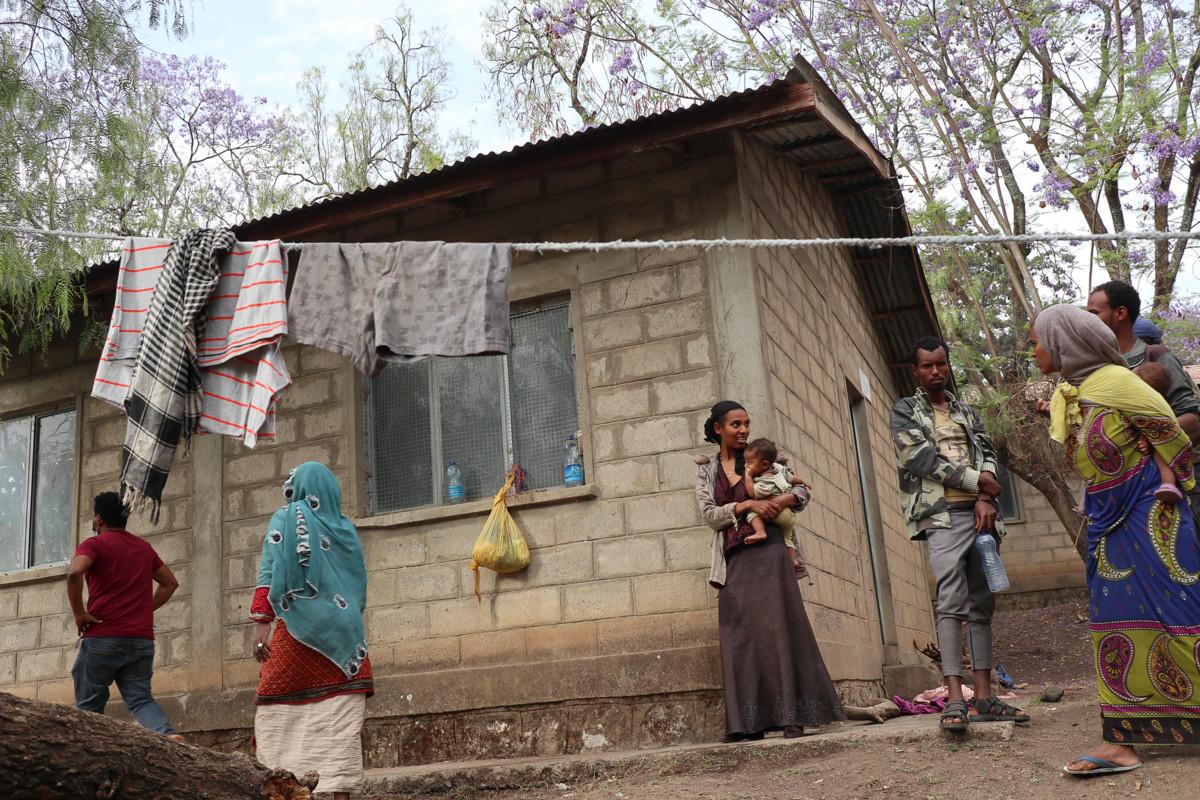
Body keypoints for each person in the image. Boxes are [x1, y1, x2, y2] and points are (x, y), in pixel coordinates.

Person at [1030, 304, 1200, 776]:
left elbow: (1175, 440)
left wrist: (1159, 472)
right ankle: (1123, 739)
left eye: (1037, 340)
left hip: (1151, 520)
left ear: (1065, 341)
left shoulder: (1118, 384)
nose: (1034, 349)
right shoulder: (1079, 391)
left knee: (1181, 618)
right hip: (1109, 526)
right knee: (1116, 628)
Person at [890, 336, 1028, 732]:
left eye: (940, 364)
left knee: (982, 604)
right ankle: (954, 699)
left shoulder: (966, 410)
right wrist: (977, 484)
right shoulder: (906, 411)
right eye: (927, 366)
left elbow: (985, 452)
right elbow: (918, 458)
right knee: (951, 601)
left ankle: (984, 697)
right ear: (915, 371)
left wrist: (987, 498)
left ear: (948, 365)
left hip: (981, 514)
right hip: (941, 514)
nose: (935, 371)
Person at [694, 401, 843, 742]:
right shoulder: (707, 469)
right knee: (741, 639)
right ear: (718, 428)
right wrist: (745, 505)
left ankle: (794, 718)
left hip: (773, 552)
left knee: (781, 631)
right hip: (735, 560)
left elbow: (802, 489)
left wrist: (783, 500)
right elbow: (709, 514)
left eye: (746, 423)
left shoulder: (767, 457)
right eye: (735, 424)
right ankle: (748, 724)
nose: (743, 429)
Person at [251, 462, 373, 800]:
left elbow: (269, 570)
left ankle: (280, 788)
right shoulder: (345, 528)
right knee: (340, 725)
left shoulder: (285, 519)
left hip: (297, 638)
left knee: (275, 710)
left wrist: (262, 625)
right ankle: (339, 794)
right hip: (346, 643)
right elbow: (357, 588)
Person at [66, 491, 181, 738]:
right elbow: (170, 583)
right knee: (140, 700)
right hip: (141, 640)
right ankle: (169, 735)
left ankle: (91, 749)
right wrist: (142, 610)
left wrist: (79, 613)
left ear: (98, 520)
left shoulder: (94, 544)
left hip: (103, 637)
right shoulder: (143, 548)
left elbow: (75, 573)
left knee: (89, 706)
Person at [1133, 362, 1185, 504]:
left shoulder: (1154, 406)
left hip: (1159, 440)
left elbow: (1153, 428)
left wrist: (1147, 441)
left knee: (1161, 456)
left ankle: (1169, 484)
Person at [741, 437, 808, 545]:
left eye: (749, 463)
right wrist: (803, 482)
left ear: (764, 464)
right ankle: (794, 559)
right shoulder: (778, 469)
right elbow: (792, 478)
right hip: (790, 515)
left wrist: (748, 477)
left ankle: (760, 532)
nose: (745, 466)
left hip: (776, 512)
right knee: (788, 539)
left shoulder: (765, 482)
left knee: (752, 512)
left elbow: (752, 493)